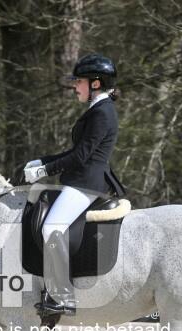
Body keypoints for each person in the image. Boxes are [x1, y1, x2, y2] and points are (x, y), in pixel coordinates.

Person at [22, 53, 126, 316]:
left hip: (86, 184)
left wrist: (45, 170)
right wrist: (42, 160)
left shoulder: (103, 113)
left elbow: (81, 156)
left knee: (52, 228)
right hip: (81, 180)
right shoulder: (98, 109)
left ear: (95, 83)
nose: (75, 86)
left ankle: (62, 296)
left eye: (79, 81)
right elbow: (76, 150)